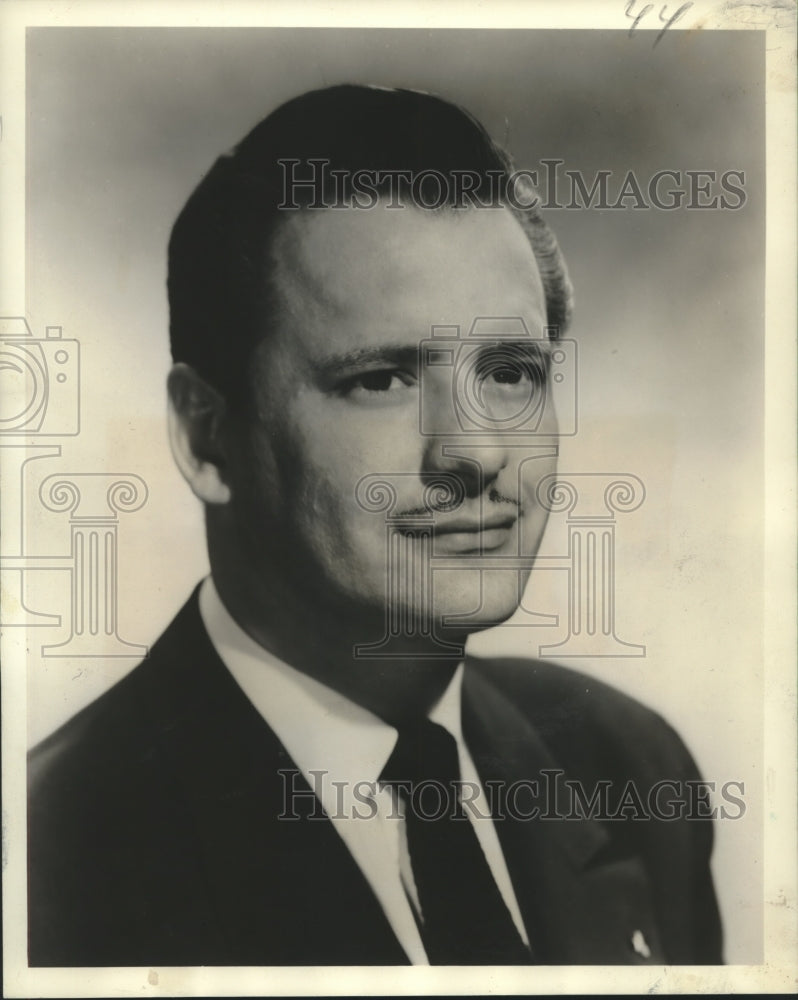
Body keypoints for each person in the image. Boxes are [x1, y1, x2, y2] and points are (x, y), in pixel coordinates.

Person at [27, 84, 722, 967]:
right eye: (382, 380)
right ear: (208, 437)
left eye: (510, 371)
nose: (474, 451)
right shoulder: (52, 860)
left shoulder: (627, 769)